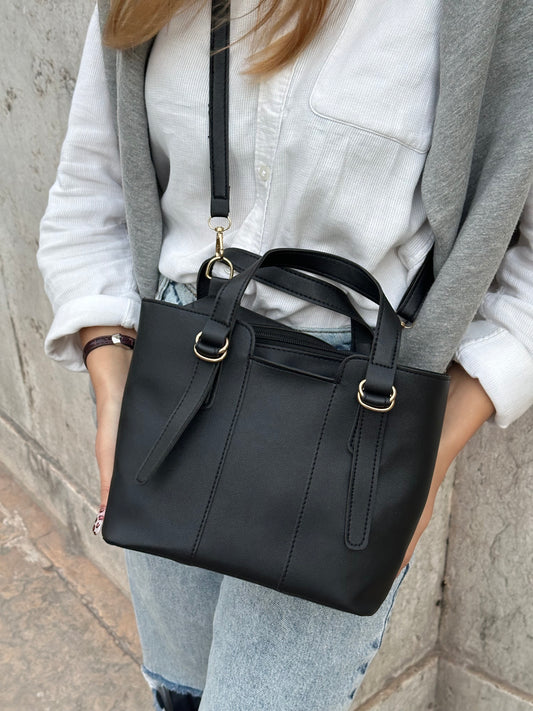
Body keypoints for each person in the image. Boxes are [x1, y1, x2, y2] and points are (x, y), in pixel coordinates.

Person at [37, 0, 532, 709]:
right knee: (180, 690)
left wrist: (431, 449)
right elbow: (93, 184)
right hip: (176, 374)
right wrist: (112, 378)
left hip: (358, 416)